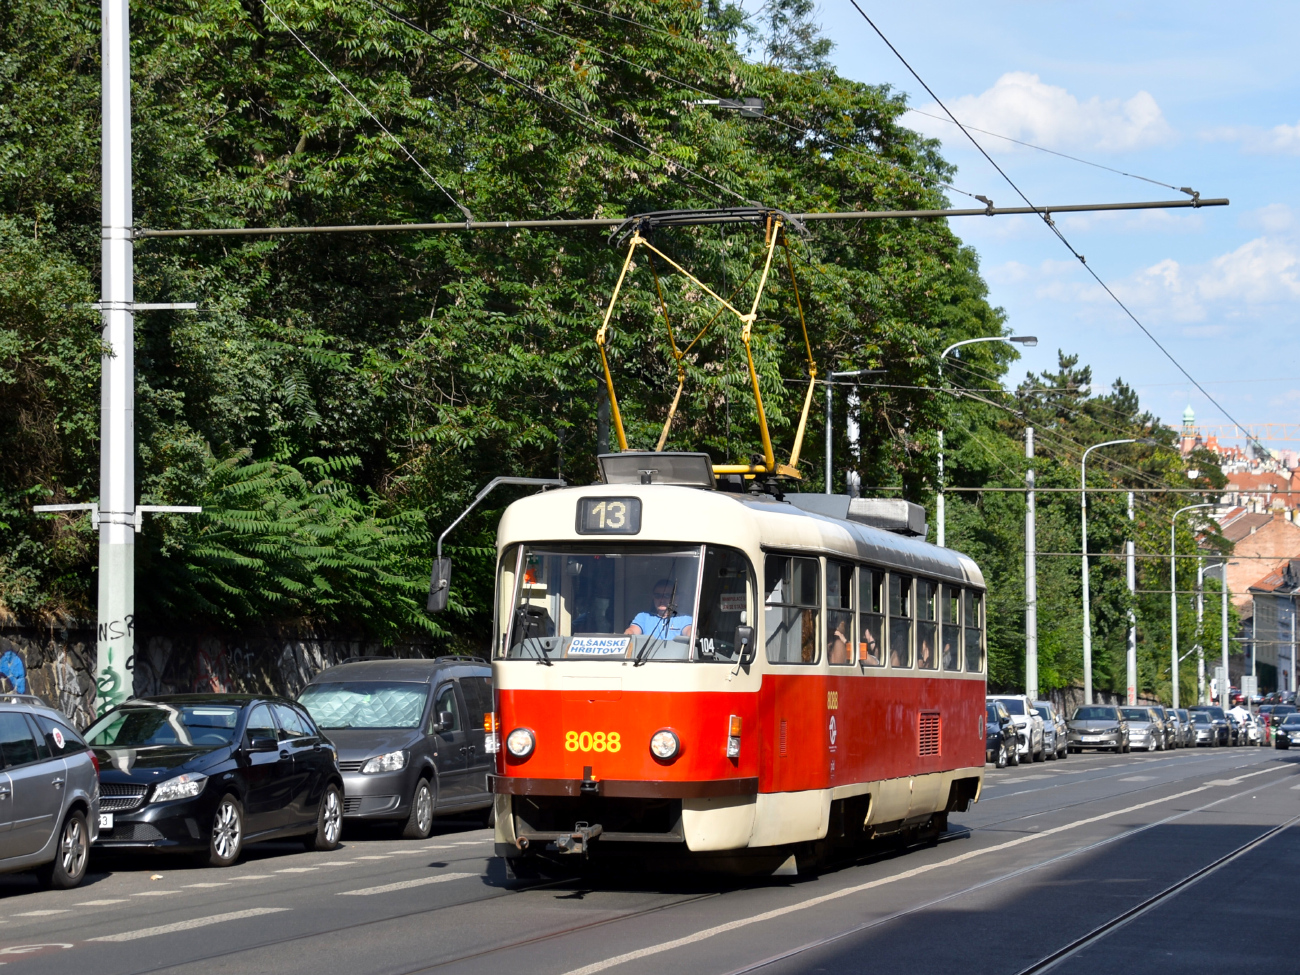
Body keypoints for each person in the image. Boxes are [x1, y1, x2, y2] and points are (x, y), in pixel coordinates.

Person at [625, 579, 693, 640]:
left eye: (667, 596)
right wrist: (628, 633)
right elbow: (633, 631)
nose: (661, 600)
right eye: (658, 596)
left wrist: (692, 634)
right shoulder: (643, 616)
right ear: (653, 598)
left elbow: (689, 631)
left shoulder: (685, 618)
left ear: (676, 598)